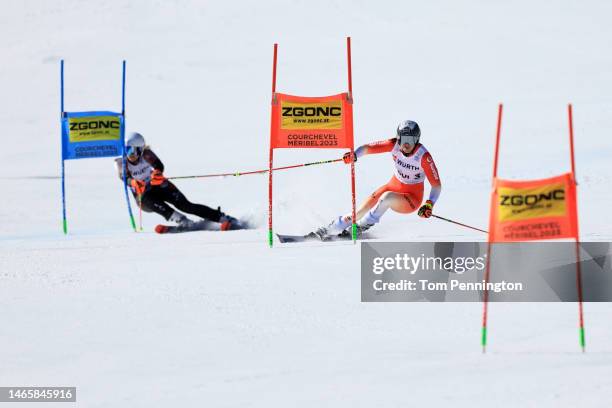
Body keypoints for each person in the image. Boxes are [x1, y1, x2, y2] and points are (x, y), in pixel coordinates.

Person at [314, 120, 441, 239]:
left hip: (411, 199)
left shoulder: (423, 157)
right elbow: (368, 148)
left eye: (411, 140)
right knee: (358, 212)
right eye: (403, 140)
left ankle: (360, 227)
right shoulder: (393, 145)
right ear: (398, 139)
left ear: (417, 140)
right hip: (392, 186)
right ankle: (329, 229)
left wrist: (429, 204)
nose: (406, 144)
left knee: (387, 197)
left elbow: (436, 185)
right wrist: (355, 155)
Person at [115, 132, 242, 230]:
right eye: (127, 150)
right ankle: (181, 220)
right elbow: (124, 177)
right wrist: (133, 182)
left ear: (140, 149)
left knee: (186, 205)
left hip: (157, 185)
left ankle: (222, 218)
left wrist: (157, 173)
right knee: (146, 197)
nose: (130, 155)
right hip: (143, 197)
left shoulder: (146, 154)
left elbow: (159, 165)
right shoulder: (122, 161)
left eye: (133, 151)